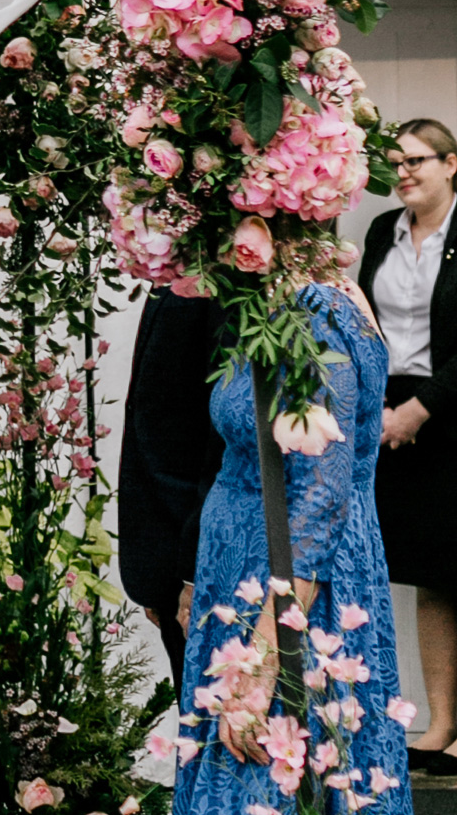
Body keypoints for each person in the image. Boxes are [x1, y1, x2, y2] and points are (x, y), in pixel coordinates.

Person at [172, 278, 411, 815]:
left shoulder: (317, 313)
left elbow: (322, 495)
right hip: (244, 579)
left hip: (288, 595)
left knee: (267, 776)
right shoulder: (272, 302)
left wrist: (262, 656)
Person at [360, 118, 457, 773]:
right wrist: (382, 408)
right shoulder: (380, 231)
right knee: (432, 570)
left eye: (417, 159)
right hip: (392, 417)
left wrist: (423, 407)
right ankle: (442, 722)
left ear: (452, 164)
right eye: (395, 162)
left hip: (451, 409)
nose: (405, 172)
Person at [117, 289, 226, 686]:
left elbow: (222, 437)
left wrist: (192, 573)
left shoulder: (223, 281)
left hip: (197, 546)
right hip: (165, 543)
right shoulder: (176, 267)